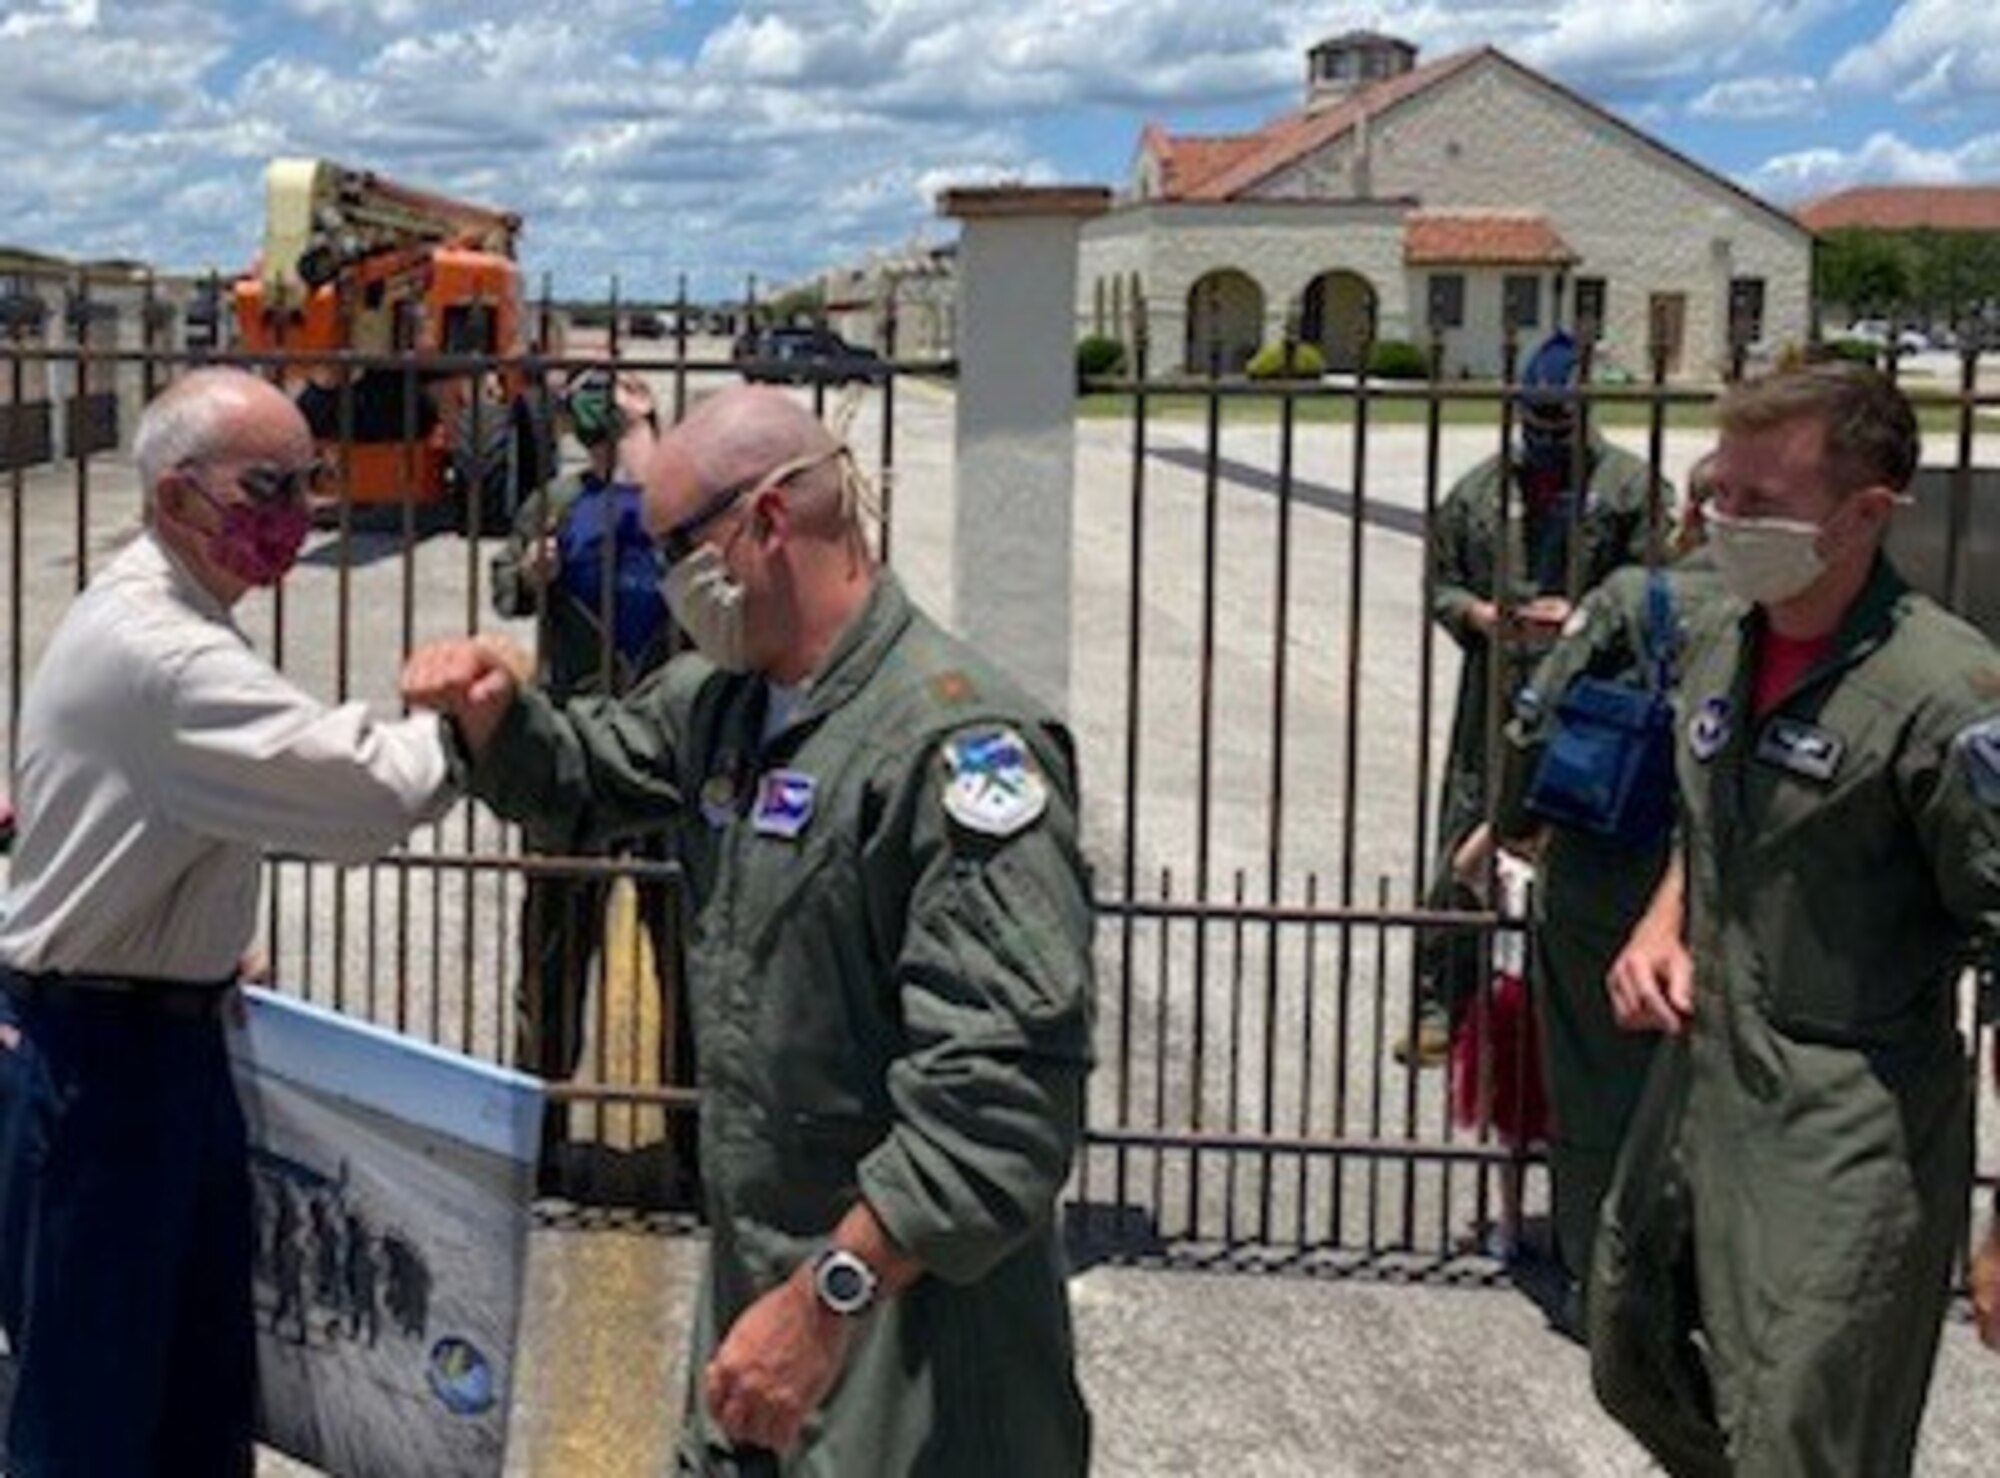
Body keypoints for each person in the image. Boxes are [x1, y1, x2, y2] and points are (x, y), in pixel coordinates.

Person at [402, 384, 1095, 1473]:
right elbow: (587, 768)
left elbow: (1000, 1100)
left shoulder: (953, 745)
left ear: (765, 522)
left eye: (674, 542)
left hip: (907, 1354)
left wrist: (828, 1297)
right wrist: (496, 712)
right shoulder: (723, 700)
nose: (660, 571)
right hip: (759, 1306)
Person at [0, 367, 456, 1474]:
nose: (298, 515)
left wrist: (191, 928)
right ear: (174, 499)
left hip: (159, 1037)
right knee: (92, 1413)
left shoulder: (163, 611)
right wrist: (470, 715)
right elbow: (364, 792)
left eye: (311, 481)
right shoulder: (165, 653)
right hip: (101, 1065)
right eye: (269, 487)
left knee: (194, 1391)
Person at [1596, 363, 2000, 1475]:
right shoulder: (1728, 638)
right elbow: (1714, 813)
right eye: (1717, 491)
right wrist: (1658, 923)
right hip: (1704, 1079)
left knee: (1800, 1433)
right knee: (1629, 1353)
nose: (1723, 522)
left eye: (1757, 503)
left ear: (1865, 512)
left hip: (1845, 1117)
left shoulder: (1949, 694)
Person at [1493, 456, 1723, 1317]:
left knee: (1592, 1073)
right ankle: (1700, 1278)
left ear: (1689, 515)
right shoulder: (1790, 614)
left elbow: (1536, 716)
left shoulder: (1636, 598)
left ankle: (1603, 1281)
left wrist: (1512, 822)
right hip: (1719, 874)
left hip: (1607, 865)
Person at [1402, 329, 1670, 1066]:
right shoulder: (1481, 489)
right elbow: (1441, 580)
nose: (1545, 437)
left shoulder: (1629, 488)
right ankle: (1442, 1004)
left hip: (1596, 704)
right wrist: (1477, 616)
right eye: (1535, 421)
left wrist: (1583, 615)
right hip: (1495, 689)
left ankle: (1574, 1009)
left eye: (1560, 422)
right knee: (1465, 838)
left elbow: (1656, 588)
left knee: (1578, 847)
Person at [489, 367, 693, 1193]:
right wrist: (528, 576)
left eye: (604, 386)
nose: (587, 401)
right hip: (573, 757)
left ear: (644, 397)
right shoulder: (554, 504)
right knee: (549, 965)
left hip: (671, 760)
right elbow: (504, 589)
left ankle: (691, 1150)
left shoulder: (688, 492)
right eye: (574, 390)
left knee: (686, 961)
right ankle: (533, 1150)